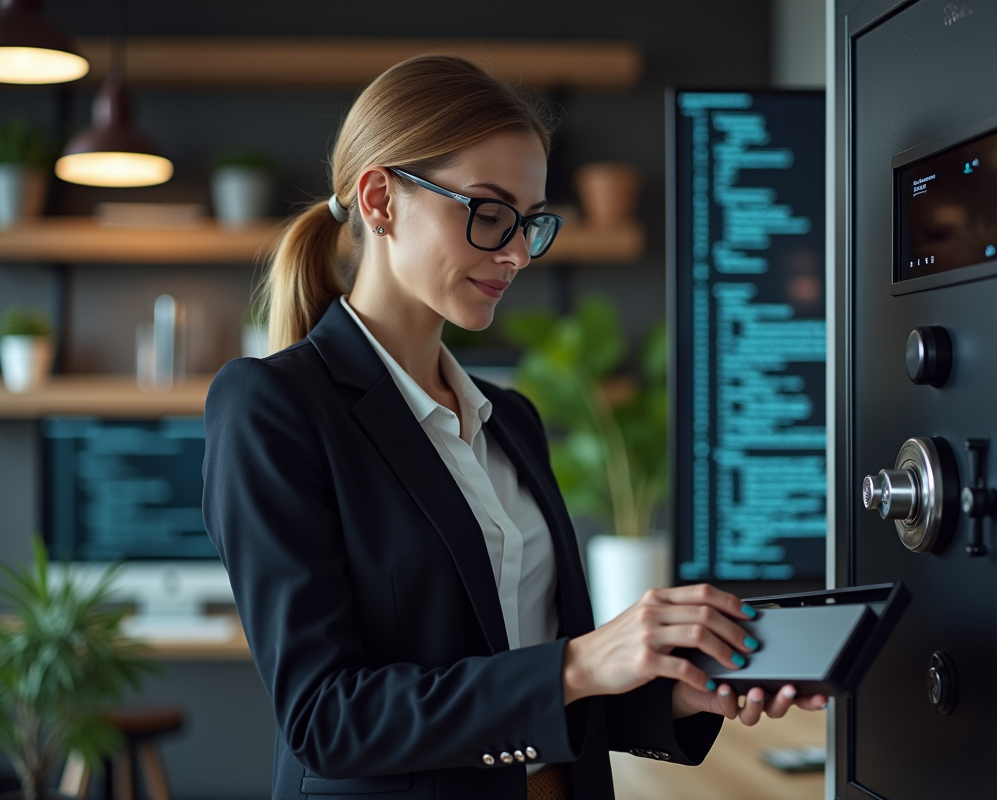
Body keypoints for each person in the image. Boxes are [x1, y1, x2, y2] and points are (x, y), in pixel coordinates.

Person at [202, 54, 826, 800]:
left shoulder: (512, 420)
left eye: (530, 222)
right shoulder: (273, 405)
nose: (518, 251)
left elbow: (528, 686)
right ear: (380, 199)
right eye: (489, 212)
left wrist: (676, 692)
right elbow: (327, 719)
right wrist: (584, 661)